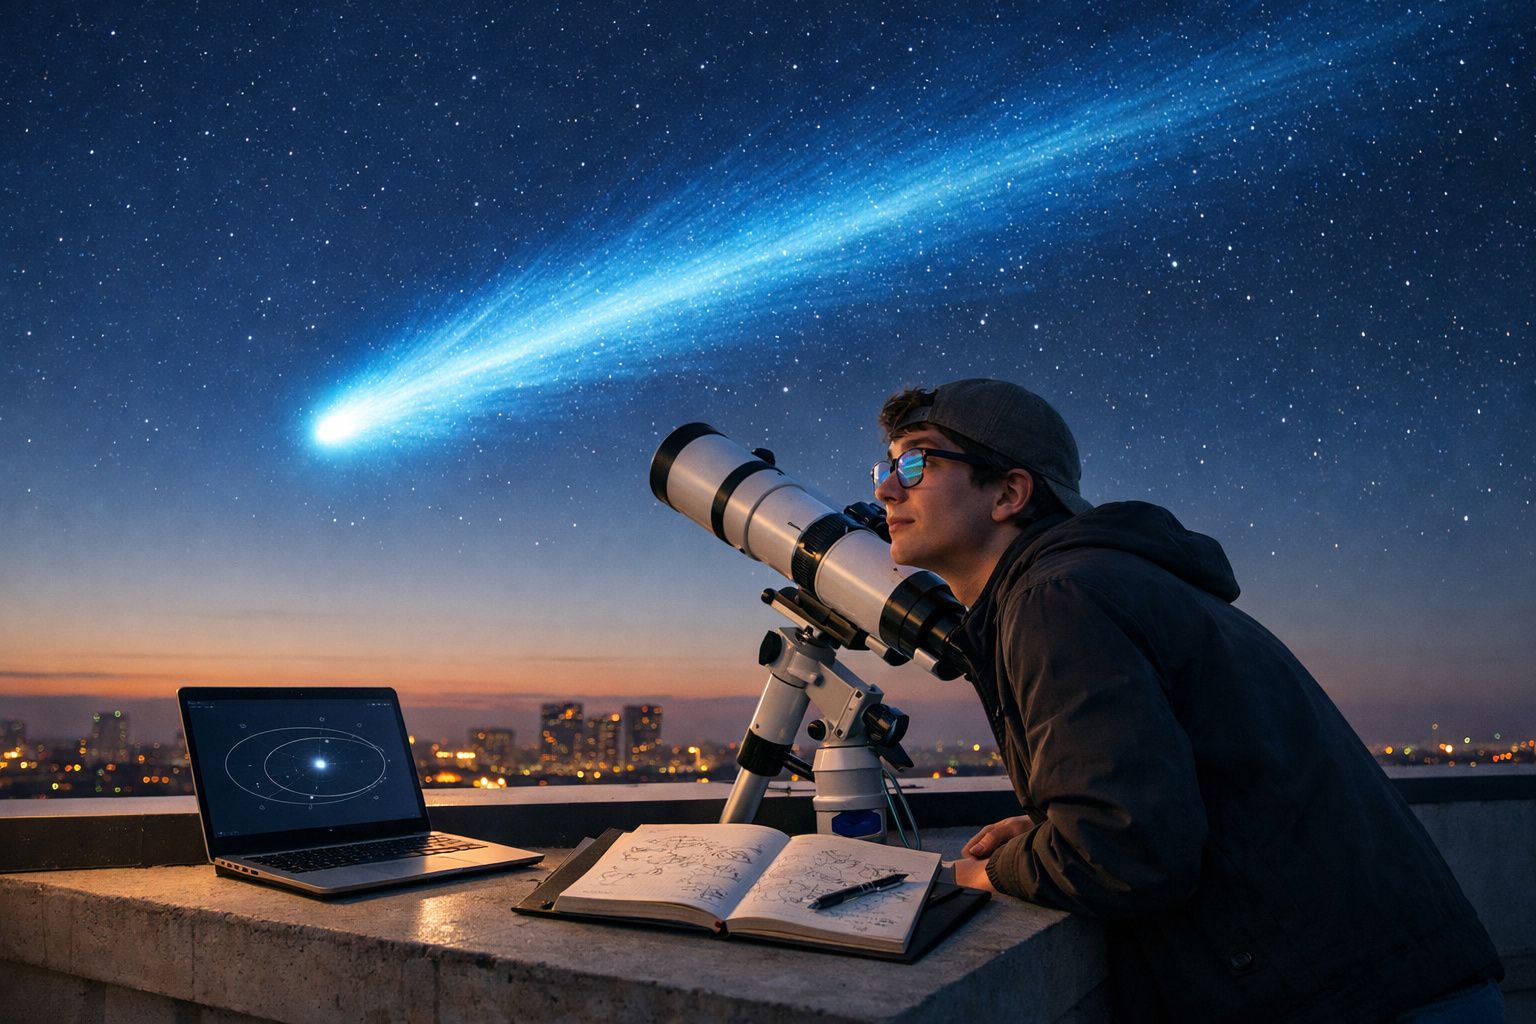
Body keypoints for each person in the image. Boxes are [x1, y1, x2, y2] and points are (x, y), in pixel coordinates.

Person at [872, 378, 1503, 1023]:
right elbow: (1185, 789)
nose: (886, 488)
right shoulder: (1107, 581)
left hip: (1348, 995)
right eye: (888, 466)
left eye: (916, 462)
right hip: (1389, 975)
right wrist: (1049, 832)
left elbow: (1122, 852)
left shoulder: (1057, 599)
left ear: (1009, 492)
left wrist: (998, 871)